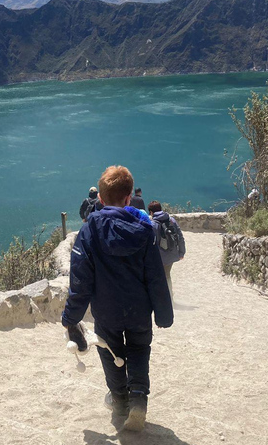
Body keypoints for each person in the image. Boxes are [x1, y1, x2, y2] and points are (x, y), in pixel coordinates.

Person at [62, 166, 173, 432]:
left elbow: (80, 280)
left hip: (107, 311)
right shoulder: (145, 230)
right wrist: (164, 314)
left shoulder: (89, 232)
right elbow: (155, 276)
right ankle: (138, 399)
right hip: (139, 309)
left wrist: (71, 319)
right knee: (138, 350)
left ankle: (120, 402)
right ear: (128, 199)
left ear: (100, 199)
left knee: (111, 354)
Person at [148, 200, 186, 299]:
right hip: (172, 253)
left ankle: (163, 298)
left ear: (151, 212)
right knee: (167, 275)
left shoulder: (153, 225)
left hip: (159, 257)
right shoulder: (172, 220)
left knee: (159, 277)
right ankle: (169, 296)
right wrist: (182, 252)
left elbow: (151, 243)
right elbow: (180, 236)